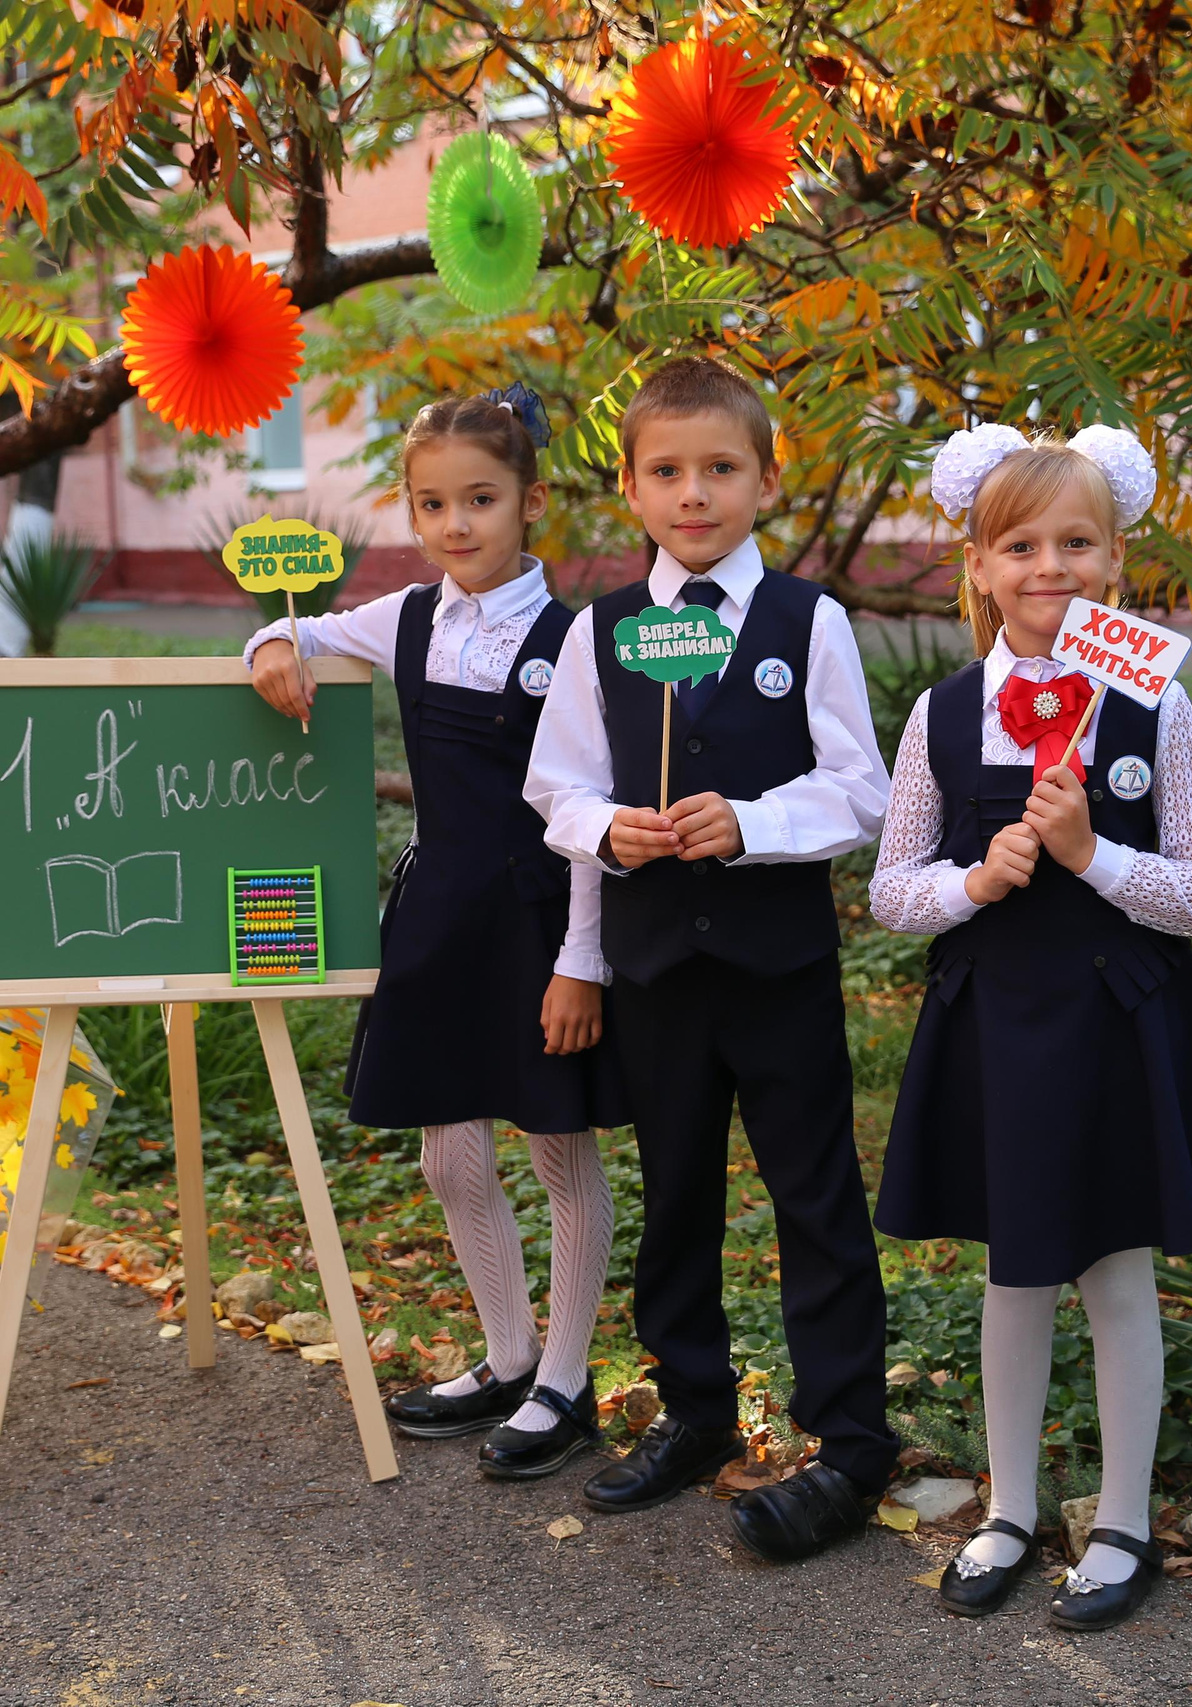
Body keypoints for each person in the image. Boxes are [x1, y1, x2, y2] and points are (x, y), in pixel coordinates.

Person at [868, 423, 1192, 1629]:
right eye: (1020, 546)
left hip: (1113, 1026)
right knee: (1015, 1271)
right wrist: (975, 880)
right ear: (979, 566)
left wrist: (1093, 855)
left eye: (1077, 543)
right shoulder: (944, 715)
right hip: (995, 1026)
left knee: (1114, 1272)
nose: (1049, 566)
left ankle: (1123, 1521)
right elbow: (891, 890)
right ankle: (1007, 1510)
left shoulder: (1155, 709)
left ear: (1114, 559)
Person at [523, 355, 900, 1562]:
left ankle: (849, 1438)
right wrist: (607, 829)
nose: (694, 494)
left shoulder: (807, 621)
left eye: (721, 469)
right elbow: (557, 786)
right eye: (668, 472)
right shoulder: (601, 631)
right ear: (630, 489)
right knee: (675, 1189)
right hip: (655, 973)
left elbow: (863, 791)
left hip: (777, 968)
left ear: (765, 481)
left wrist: (753, 822)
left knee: (815, 1196)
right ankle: (693, 1409)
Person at [245, 384, 623, 1481]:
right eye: (431, 504)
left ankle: (566, 1380)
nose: (456, 524)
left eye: (480, 499)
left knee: (556, 1143)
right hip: (438, 917)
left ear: (530, 503)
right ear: (411, 511)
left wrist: (581, 960)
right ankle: (509, 1357)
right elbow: (303, 629)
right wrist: (271, 639)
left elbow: (589, 814)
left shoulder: (574, 640)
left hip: (541, 922)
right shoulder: (409, 619)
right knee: (449, 1155)